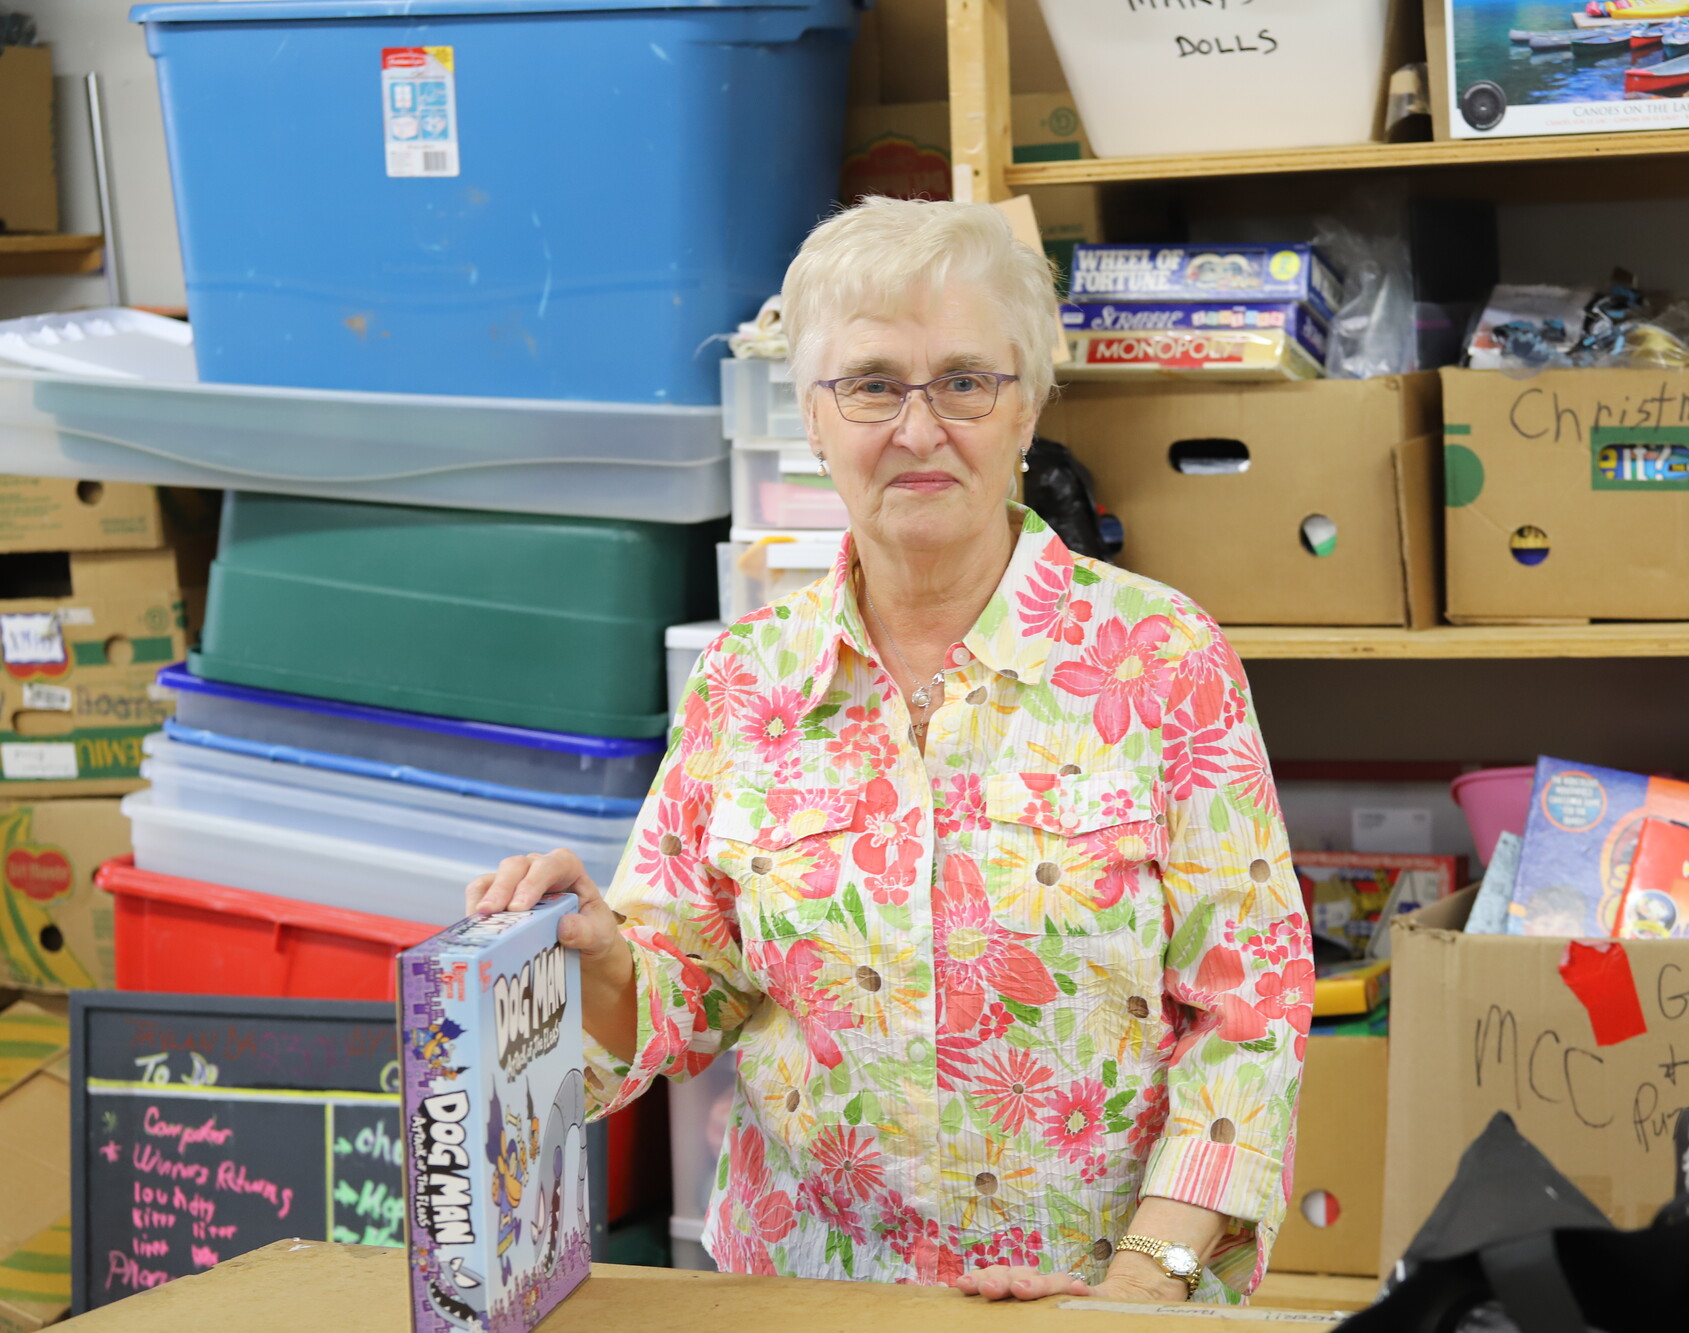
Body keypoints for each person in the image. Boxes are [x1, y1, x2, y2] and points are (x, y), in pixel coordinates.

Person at [467, 197, 1308, 1306]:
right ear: (811, 420)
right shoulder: (745, 681)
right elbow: (690, 989)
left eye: (964, 381)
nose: (919, 429)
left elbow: (1247, 1014)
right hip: (806, 1295)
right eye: (870, 384)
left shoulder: (1162, 660)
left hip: (1088, 1296)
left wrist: (1143, 1283)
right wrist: (606, 955)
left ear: (1027, 410)